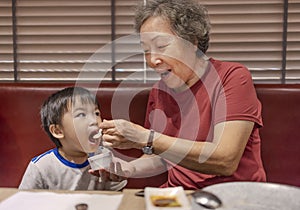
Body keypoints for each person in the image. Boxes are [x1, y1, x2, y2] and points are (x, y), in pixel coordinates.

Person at [99, 0, 266, 190]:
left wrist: (146, 138)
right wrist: (127, 168)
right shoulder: (159, 91)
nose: (152, 60)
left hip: (234, 196)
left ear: (192, 42)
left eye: (161, 46)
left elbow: (225, 160)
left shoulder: (232, 77)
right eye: (146, 51)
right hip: (177, 195)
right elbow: (161, 156)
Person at [19, 86, 127, 190]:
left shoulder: (104, 156)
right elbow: (23, 202)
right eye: (81, 114)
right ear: (58, 131)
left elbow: (116, 196)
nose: (94, 121)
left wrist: (117, 176)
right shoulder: (41, 167)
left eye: (96, 113)